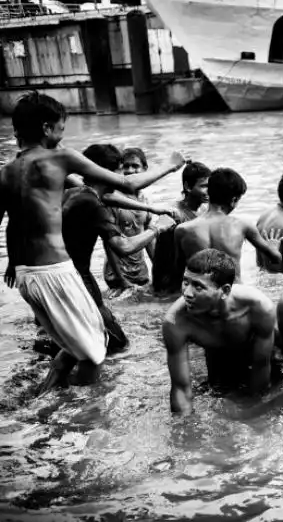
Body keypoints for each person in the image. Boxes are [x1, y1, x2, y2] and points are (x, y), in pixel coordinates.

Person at [0, 92, 183, 394]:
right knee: (96, 351)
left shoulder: (6, 173)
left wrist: (10, 262)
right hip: (54, 272)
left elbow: (14, 221)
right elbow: (127, 184)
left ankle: (45, 396)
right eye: (61, 127)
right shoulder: (60, 158)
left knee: (78, 344)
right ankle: (80, 412)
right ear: (46, 128)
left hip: (25, 275)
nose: (63, 135)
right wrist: (170, 164)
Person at [62, 144, 180, 353]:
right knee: (115, 341)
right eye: (119, 169)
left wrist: (151, 209)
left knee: (83, 336)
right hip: (74, 277)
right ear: (104, 173)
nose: (123, 175)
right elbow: (123, 247)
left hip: (64, 275)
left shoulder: (79, 192)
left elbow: (109, 196)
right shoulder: (92, 204)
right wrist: (156, 228)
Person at [163, 249, 279, 415]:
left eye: (198, 286)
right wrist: (184, 431)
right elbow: (181, 388)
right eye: (185, 282)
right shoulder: (175, 321)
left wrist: (255, 410)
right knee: (218, 399)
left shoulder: (258, 307)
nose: (187, 293)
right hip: (218, 361)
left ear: (224, 291)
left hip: (259, 359)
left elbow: (261, 365)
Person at [174, 167, 282, 281]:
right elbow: (276, 258)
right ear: (234, 200)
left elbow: (178, 270)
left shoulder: (182, 229)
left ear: (209, 193)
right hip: (233, 294)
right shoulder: (242, 226)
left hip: (200, 294)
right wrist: (273, 247)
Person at [151, 161, 211, 295]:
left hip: (191, 279)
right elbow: (162, 258)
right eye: (204, 186)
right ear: (188, 187)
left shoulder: (203, 209)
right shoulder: (173, 213)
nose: (209, 190)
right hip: (172, 284)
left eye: (210, 186)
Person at [103, 147, 156, 292]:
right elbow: (109, 244)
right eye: (126, 166)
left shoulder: (144, 199)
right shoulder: (112, 198)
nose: (130, 171)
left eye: (135, 166)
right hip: (118, 275)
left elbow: (149, 238)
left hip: (141, 273)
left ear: (145, 169)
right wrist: (122, 280)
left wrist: (159, 271)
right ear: (119, 169)